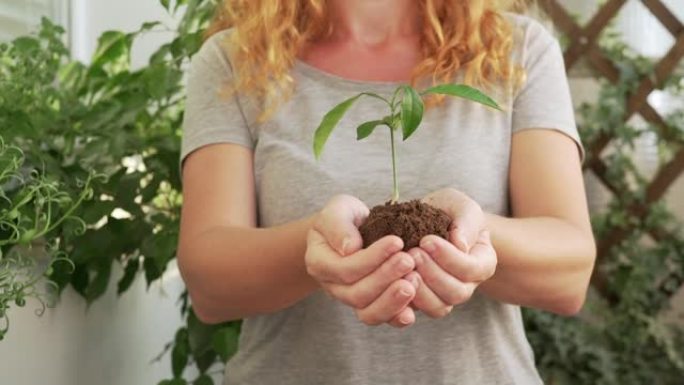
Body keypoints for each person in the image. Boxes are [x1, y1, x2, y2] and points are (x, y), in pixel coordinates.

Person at [177, 0, 597, 383]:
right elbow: (209, 284)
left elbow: (569, 274)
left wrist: (469, 236)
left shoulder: (517, 50)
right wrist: (317, 246)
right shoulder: (236, 61)